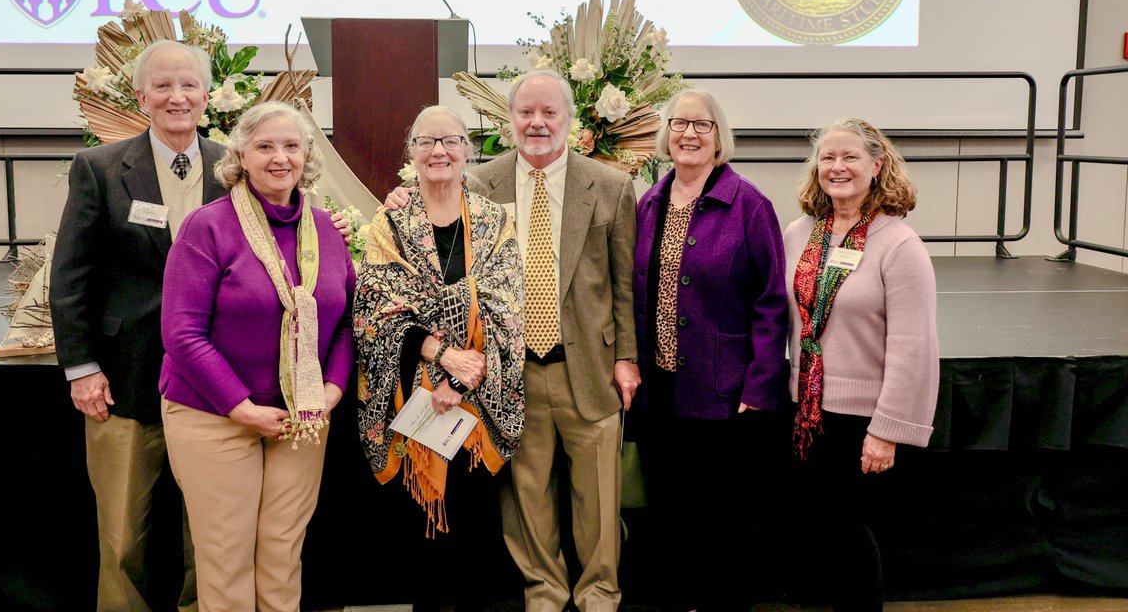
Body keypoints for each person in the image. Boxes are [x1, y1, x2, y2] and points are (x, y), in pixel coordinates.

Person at [385, 71, 639, 612]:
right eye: (526, 112)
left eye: (550, 112)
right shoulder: (479, 184)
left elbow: (625, 285)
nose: (538, 123)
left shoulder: (611, 186)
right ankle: (543, 594)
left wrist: (627, 359)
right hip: (508, 371)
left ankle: (599, 595)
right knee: (526, 499)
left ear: (571, 120)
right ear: (509, 120)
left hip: (588, 368)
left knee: (597, 497)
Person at [158, 101, 354, 612]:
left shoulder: (328, 231)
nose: (280, 158)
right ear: (240, 154)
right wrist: (240, 406)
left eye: (291, 145)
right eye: (265, 146)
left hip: (303, 415)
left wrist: (330, 389)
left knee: (282, 552)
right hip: (214, 415)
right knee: (226, 559)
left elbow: (345, 323)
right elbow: (182, 334)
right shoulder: (209, 227)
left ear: (307, 154)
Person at [51, 39, 221, 612]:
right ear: (142, 95)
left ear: (207, 93)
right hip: (122, 381)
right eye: (164, 86)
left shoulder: (235, 166)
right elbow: (71, 275)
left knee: (212, 540)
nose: (178, 97)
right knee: (122, 539)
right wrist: (81, 367)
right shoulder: (99, 168)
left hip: (216, 385)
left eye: (189, 84)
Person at [354, 105, 526, 611]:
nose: (438, 152)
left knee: (473, 529)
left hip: (475, 397)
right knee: (420, 540)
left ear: (467, 150)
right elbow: (375, 307)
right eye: (426, 142)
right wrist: (441, 355)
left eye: (450, 141)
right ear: (411, 152)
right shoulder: (391, 221)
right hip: (415, 396)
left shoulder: (497, 221)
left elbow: (507, 306)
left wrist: (463, 379)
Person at [631, 89, 788, 611]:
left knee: (722, 515)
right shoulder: (650, 202)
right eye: (679, 124)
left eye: (702, 125)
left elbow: (771, 302)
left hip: (723, 393)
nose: (689, 134)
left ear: (720, 137)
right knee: (670, 507)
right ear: (665, 134)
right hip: (661, 390)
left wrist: (761, 385)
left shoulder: (749, 204)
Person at [785, 118, 940, 611]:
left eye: (850, 157)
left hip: (861, 420)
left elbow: (914, 344)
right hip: (805, 411)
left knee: (848, 533)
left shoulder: (899, 245)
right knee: (819, 532)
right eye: (828, 157)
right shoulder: (799, 233)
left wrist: (887, 429)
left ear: (877, 165)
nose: (837, 167)